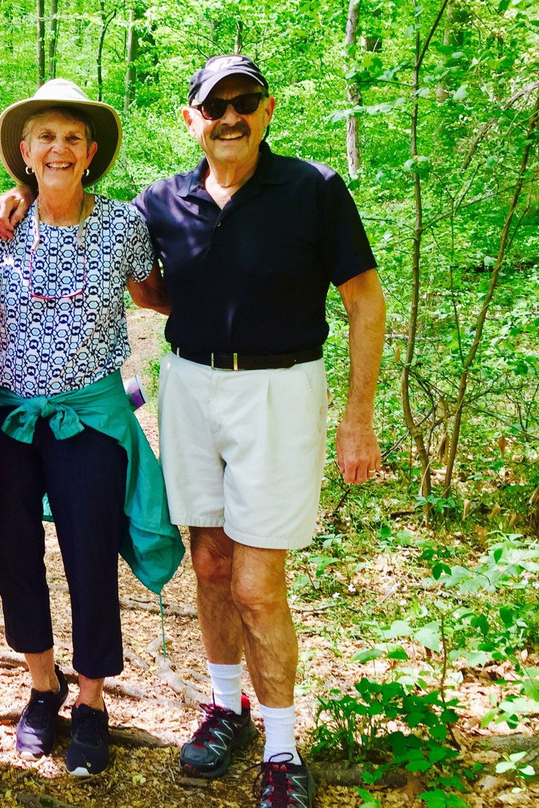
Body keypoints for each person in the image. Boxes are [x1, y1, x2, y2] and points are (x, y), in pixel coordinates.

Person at [125, 55, 386, 808]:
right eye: (215, 106)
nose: (230, 117)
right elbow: (146, 283)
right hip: (191, 385)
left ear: (267, 110)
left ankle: (280, 744)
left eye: (245, 102)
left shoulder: (313, 190)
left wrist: (357, 419)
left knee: (257, 582)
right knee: (208, 562)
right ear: (191, 120)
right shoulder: (162, 200)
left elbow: (366, 304)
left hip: (280, 389)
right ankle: (224, 709)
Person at [0, 79, 183, 778]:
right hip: (7, 415)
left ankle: (92, 700)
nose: (58, 148)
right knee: (10, 552)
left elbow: (156, 292)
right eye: (45, 137)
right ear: (25, 153)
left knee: (90, 555)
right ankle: (44, 684)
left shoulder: (124, 224)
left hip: (90, 417)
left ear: (90, 151)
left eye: (72, 137)